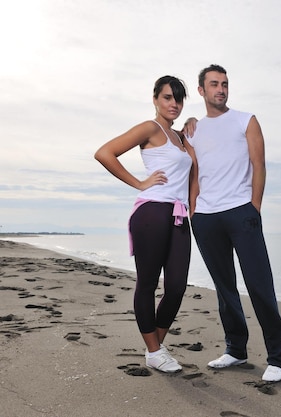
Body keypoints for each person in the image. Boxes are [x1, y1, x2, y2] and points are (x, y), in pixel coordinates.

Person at [184, 64, 281, 382]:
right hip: (205, 217)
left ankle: (277, 359)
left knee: (259, 284)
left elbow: (259, 165)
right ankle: (236, 350)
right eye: (214, 84)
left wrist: (254, 208)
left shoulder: (246, 120)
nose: (221, 89)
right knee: (224, 287)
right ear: (201, 90)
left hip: (241, 212)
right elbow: (193, 173)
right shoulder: (192, 129)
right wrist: (193, 212)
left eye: (225, 84)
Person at [94, 76, 193, 373]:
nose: (173, 104)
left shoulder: (181, 137)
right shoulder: (150, 128)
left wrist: (192, 122)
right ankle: (154, 349)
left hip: (179, 214)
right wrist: (139, 183)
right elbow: (104, 153)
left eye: (178, 99)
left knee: (176, 286)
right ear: (155, 99)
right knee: (148, 283)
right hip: (152, 211)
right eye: (167, 97)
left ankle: (155, 348)